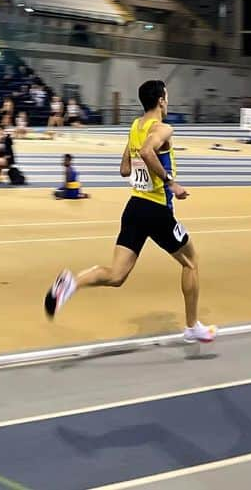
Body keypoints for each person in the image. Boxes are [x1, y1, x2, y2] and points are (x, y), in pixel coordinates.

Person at [43, 79, 215, 343]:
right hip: (156, 210)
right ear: (160, 100)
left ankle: (71, 283)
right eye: (166, 98)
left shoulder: (135, 127)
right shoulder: (163, 129)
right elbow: (147, 151)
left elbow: (125, 169)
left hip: (134, 207)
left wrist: (144, 167)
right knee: (191, 261)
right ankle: (192, 327)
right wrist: (171, 182)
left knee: (116, 275)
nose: (167, 102)